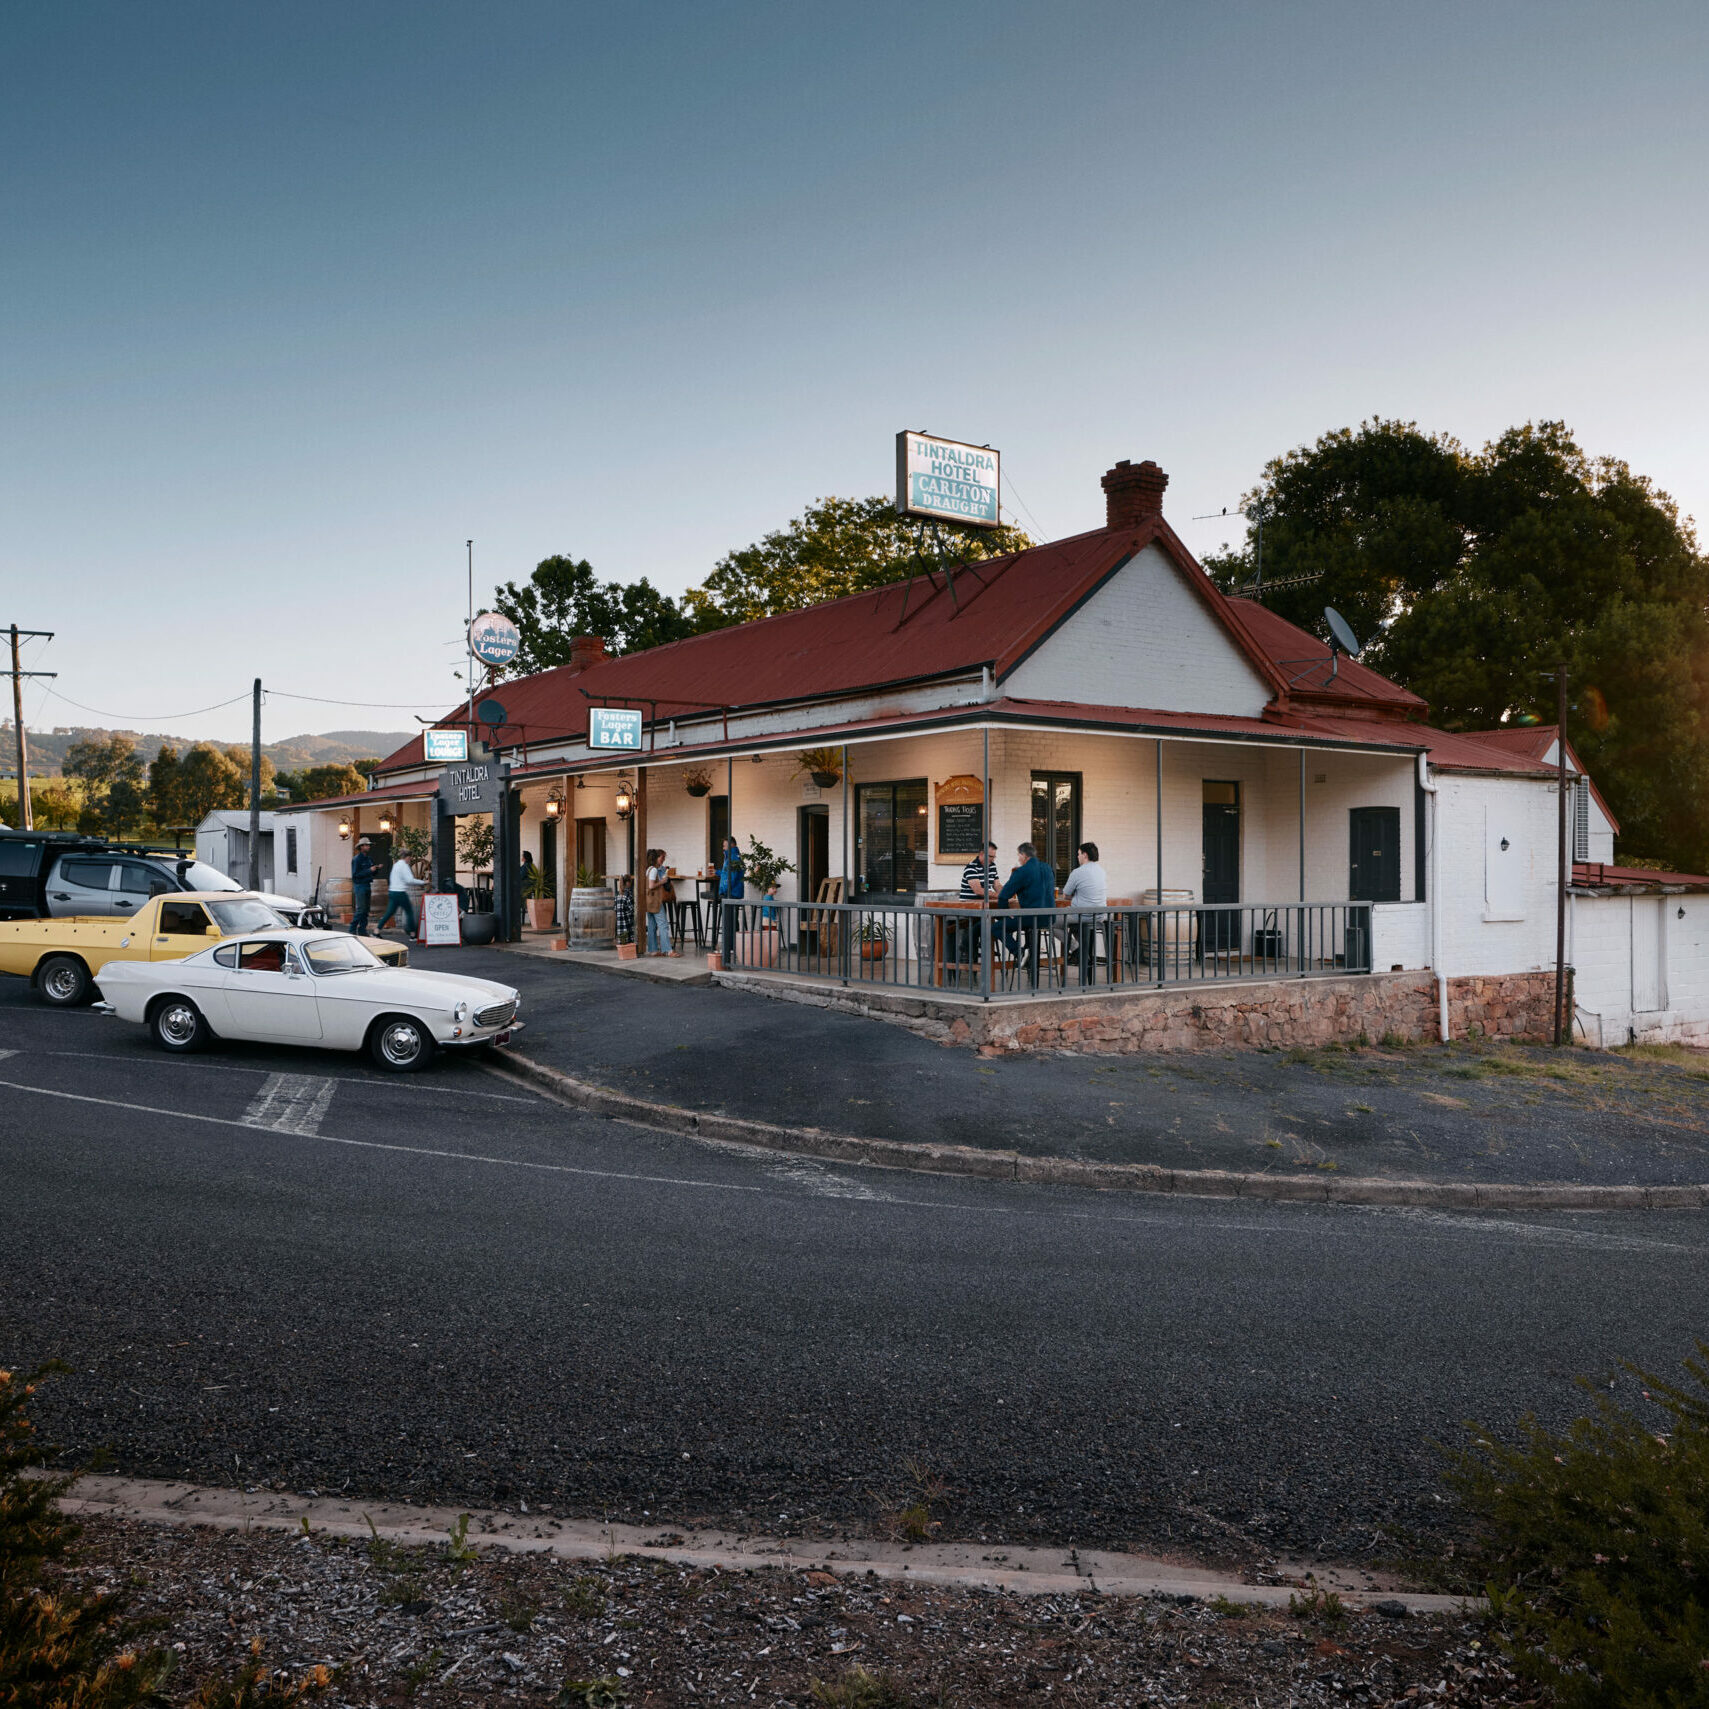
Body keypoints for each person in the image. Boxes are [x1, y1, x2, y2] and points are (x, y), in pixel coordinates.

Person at [995, 840, 1056, 981]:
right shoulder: (1047, 868)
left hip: (1032, 918)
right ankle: (1028, 949)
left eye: (1018, 856)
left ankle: (1019, 951)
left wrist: (1004, 917)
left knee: (997, 928)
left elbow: (1003, 896)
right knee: (1026, 924)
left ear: (1023, 855)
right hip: (1049, 918)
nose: (1018, 859)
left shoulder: (1022, 871)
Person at [1061, 841, 1108, 982]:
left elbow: (1066, 895)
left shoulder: (1078, 872)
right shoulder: (1102, 871)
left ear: (1085, 855)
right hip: (1099, 917)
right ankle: (1084, 952)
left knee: (1051, 921)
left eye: (1078, 854)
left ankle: (1077, 949)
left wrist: (1077, 894)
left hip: (1082, 916)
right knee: (1078, 927)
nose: (1077, 857)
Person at [376, 848, 423, 938]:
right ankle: (413, 934)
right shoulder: (404, 866)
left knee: (389, 913)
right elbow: (409, 880)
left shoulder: (396, 865)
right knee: (409, 912)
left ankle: (376, 931)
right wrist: (422, 882)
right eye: (410, 858)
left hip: (392, 892)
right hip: (400, 893)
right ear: (407, 857)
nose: (410, 860)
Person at [645, 849, 679, 956]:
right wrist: (663, 881)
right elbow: (651, 886)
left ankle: (653, 950)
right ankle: (668, 950)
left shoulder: (648, 869)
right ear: (656, 858)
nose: (662, 860)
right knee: (663, 925)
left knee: (652, 926)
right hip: (656, 901)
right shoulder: (654, 870)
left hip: (649, 901)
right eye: (661, 858)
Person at [717, 834, 744, 957]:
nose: (723, 846)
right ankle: (733, 947)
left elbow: (731, 878)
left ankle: (729, 948)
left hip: (730, 893)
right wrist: (717, 872)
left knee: (729, 921)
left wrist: (722, 890)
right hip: (734, 893)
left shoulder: (732, 858)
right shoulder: (733, 857)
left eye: (724, 844)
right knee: (733, 921)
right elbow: (728, 874)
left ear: (731, 844)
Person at [348, 836, 375, 935]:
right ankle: (352, 928)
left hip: (367, 885)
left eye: (369, 845)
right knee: (361, 909)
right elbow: (355, 875)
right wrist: (369, 870)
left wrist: (375, 869)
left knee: (366, 910)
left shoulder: (369, 859)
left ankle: (362, 930)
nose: (369, 847)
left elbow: (371, 873)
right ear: (362, 847)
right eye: (367, 845)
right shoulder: (356, 859)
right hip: (360, 886)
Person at [614, 873, 635, 947]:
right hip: (628, 924)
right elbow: (632, 910)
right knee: (629, 942)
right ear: (628, 882)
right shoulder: (629, 894)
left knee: (623, 942)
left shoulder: (617, 896)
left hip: (620, 926)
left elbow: (615, 910)